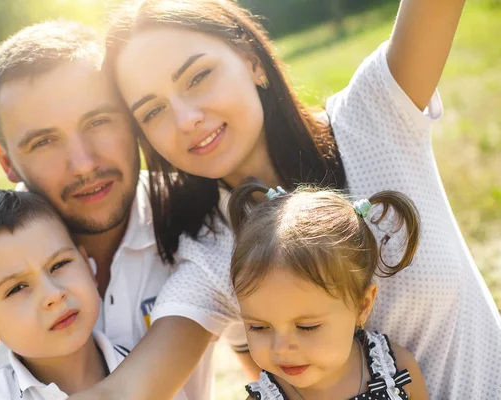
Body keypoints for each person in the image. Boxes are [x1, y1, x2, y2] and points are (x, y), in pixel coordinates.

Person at [97, 0, 501, 398]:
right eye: (152, 112)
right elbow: (127, 391)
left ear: (252, 60)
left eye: (198, 76)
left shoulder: (373, 114)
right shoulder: (212, 253)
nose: (186, 120)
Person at [0, 20, 244, 400]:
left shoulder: (200, 223)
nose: (83, 164)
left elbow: (267, 362)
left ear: (131, 120)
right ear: (6, 160)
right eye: (44, 141)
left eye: (98, 121)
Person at [227, 180, 428, 399]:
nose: (281, 348)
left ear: (362, 305)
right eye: (258, 327)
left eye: (307, 327)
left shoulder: (395, 371)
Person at [0, 189, 129, 399]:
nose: (54, 295)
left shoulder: (161, 371)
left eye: (59, 264)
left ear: (87, 265)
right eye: (17, 288)